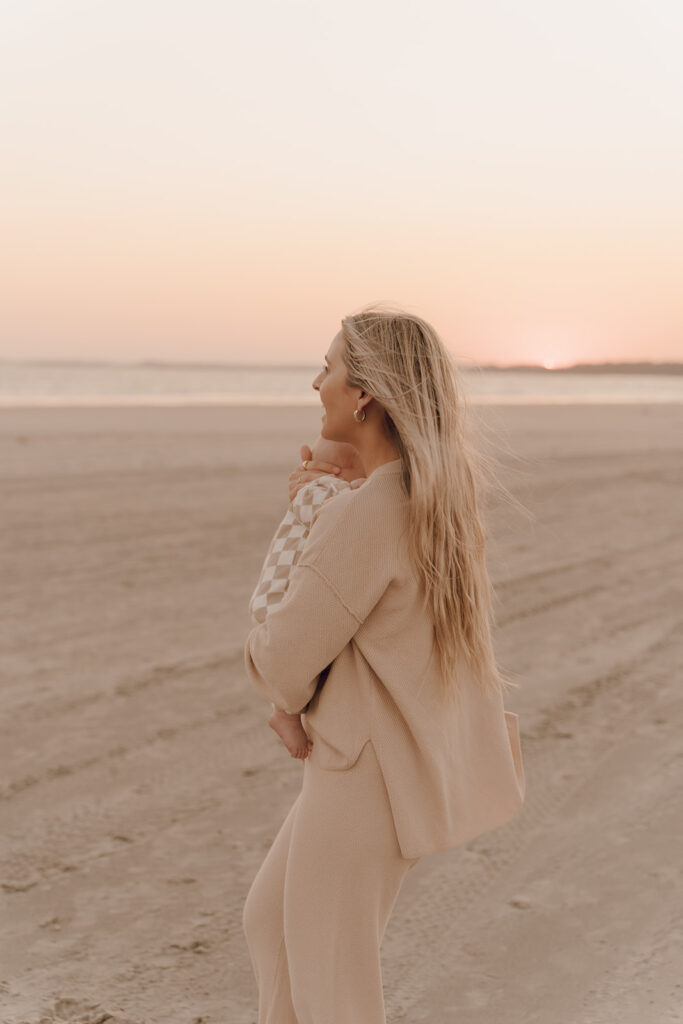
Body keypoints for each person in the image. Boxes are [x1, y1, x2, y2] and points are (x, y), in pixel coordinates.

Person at [242, 304, 526, 1024]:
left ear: (363, 392)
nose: (317, 383)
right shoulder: (429, 499)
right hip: (372, 764)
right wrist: (327, 505)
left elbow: (282, 656)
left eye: (329, 368)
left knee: (331, 987)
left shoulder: (368, 511)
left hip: (361, 772)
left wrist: (309, 520)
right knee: (272, 926)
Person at [248, 434, 367, 760]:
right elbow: (344, 510)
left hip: (278, 593)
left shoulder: (316, 493)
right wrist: (363, 488)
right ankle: (284, 713)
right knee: (306, 660)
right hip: (283, 596)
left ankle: (285, 711)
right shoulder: (327, 494)